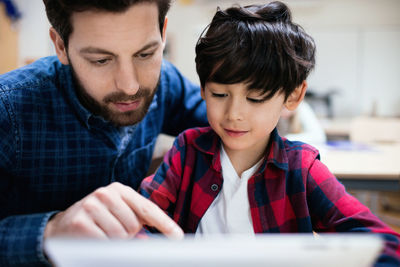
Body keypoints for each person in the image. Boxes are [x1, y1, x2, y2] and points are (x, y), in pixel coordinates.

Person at [139, 2, 400, 266]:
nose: (234, 114)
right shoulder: (187, 152)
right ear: (204, 89)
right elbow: (140, 222)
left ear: (293, 96)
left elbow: (385, 245)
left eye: (256, 98)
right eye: (219, 94)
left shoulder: (302, 169)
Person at [0, 0, 208, 265]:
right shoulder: (8, 108)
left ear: (163, 33)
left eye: (145, 54)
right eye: (101, 60)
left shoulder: (166, 82)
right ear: (60, 45)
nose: (130, 86)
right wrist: (50, 231)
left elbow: (230, 123)